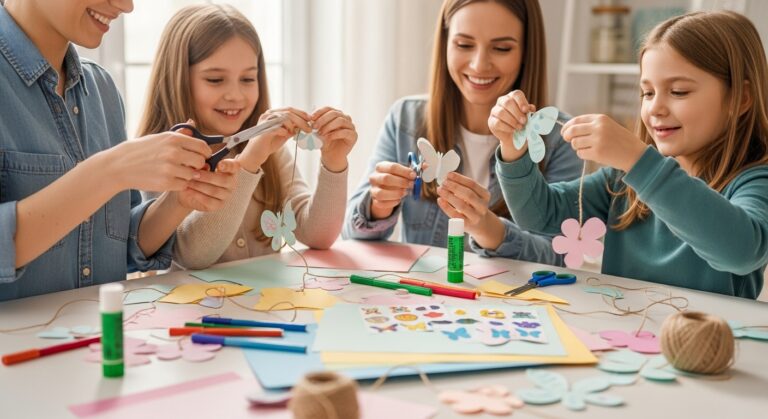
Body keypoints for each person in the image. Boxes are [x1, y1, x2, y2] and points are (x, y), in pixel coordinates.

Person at [490, 11, 768, 298]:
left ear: (740, 99)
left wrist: (638, 160)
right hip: (619, 325)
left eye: (678, 91)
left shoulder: (755, 181)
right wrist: (513, 148)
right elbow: (539, 214)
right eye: (647, 93)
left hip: (704, 330)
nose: (655, 108)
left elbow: (741, 253)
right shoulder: (623, 180)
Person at [0, 0, 237, 301]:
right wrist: (110, 170)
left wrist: (177, 201)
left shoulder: (102, 90)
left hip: (104, 329)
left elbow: (119, 247)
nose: (126, 6)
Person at [343, 0, 580, 264]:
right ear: (445, 43)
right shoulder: (405, 119)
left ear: (527, 51)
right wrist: (378, 206)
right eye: (464, 45)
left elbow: (561, 258)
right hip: (423, 289)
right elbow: (351, 234)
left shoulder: (560, 137)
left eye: (501, 48)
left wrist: (488, 229)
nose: (479, 65)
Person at [138, 4, 357, 270]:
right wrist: (250, 161)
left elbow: (317, 235)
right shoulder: (162, 156)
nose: (236, 95)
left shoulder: (270, 150)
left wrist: (334, 162)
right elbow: (192, 256)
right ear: (179, 79)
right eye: (215, 79)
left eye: (248, 79)